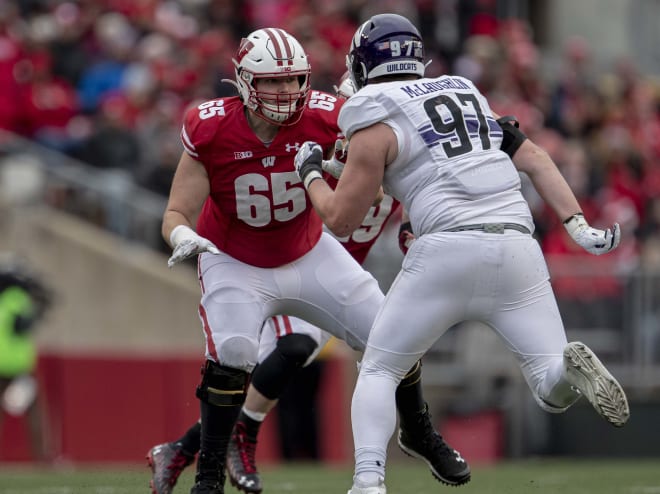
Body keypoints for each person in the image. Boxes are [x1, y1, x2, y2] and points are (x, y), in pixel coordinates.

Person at [293, 13, 630, 494]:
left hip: (448, 248)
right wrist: (578, 226)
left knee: (382, 368)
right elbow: (532, 156)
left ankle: (368, 482)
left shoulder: (370, 110)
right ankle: (568, 369)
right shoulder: (463, 91)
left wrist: (309, 173)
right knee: (550, 385)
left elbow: (342, 218)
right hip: (517, 242)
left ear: (365, 64)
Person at [160, 27, 469, 494]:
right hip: (235, 257)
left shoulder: (330, 116)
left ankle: (420, 432)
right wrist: (182, 235)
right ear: (244, 81)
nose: (286, 92)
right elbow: (176, 213)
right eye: (273, 82)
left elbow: (398, 149)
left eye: (293, 80)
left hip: (307, 249)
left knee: (394, 333)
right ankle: (206, 480)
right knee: (235, 354)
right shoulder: (211, 126)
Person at [0, 254, 53, 462]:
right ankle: (42, 457)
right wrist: (39, 311)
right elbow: (21, 325)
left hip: (3, 364)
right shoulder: (16, 298)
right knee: (34, 412)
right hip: (16, 365)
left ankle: (42, 456)